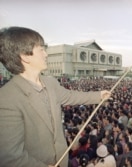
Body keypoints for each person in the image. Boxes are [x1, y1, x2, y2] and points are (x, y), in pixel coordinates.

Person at [0, 27, 111, 167]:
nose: (46, 54)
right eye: (41, 49)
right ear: (25, 56)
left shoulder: (50, 82)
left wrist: (99, 95)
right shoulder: (6, 99)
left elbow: (71, 96)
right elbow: (11, 157)